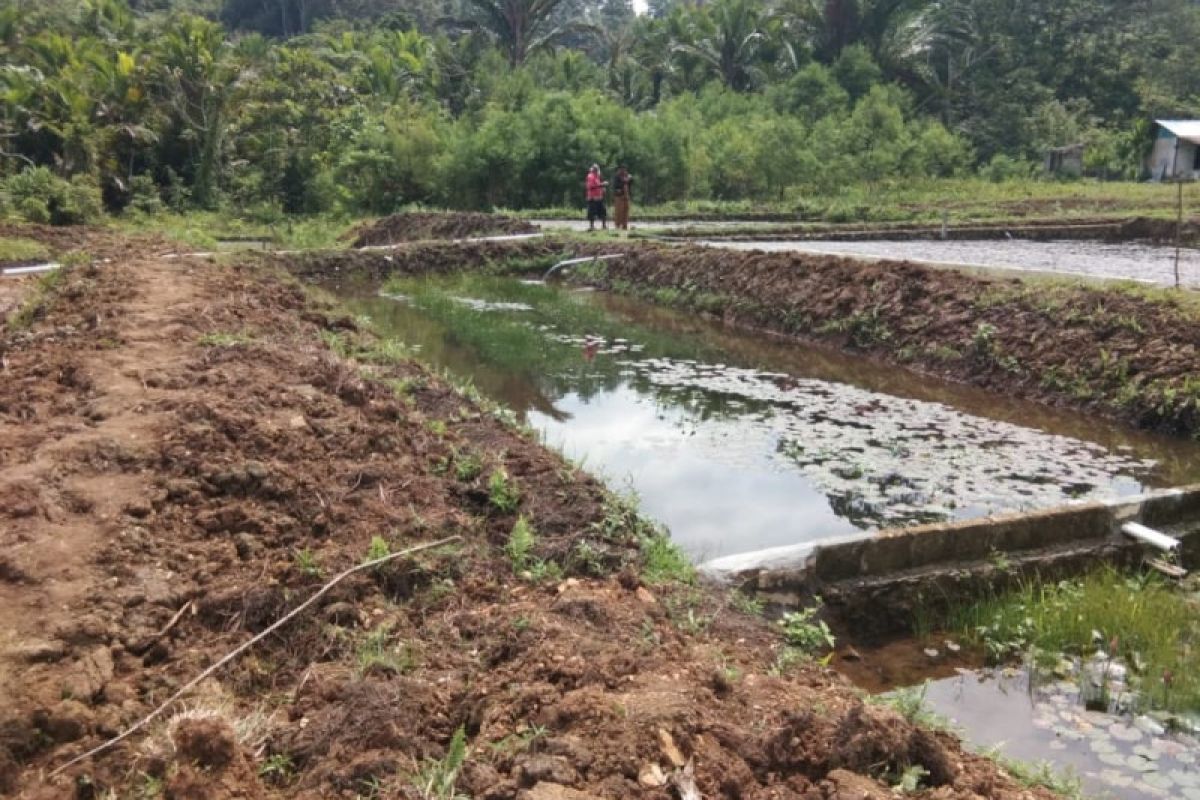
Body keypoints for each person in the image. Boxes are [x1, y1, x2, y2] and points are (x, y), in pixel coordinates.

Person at [585, 164, 608, 231]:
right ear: (594, 170)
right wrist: (602, 184)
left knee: (603, 211)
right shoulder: (590, 176)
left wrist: (602, 188)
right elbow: (591, 186)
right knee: (592, 212)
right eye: (597, 169)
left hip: (599, 197)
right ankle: (592, 227)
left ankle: (604, 226)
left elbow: (598, 186)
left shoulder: (597, 177)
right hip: (592, 198)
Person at [612, 165, 633, 230]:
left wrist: (629, 179)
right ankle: (617, 225)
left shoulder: (627, 176)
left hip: (626, 196)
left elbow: (631, 182)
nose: (623, 171)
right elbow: (616, 186)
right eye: (622, 169)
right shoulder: (616, 177)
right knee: (619, 212)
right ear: (619, 170)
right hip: (619, 197)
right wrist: (625, 180)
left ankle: (625, 225)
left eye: (624, 169)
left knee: (626, 211)